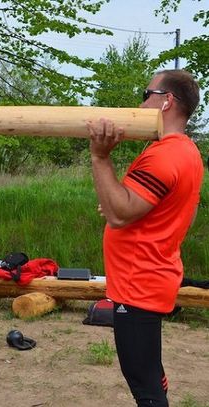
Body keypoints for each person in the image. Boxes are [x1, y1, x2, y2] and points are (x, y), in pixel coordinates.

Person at [87, 69, 203, 407]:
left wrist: (100, 156)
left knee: (144, 385)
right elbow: (180, 211)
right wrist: (118, 204)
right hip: (152, 277)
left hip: (140, 283)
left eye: (146, 92)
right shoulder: (187, 152)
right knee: (148, 372)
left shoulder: (163, 154)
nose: (140, 102)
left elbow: (121, 213)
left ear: (166, 101)